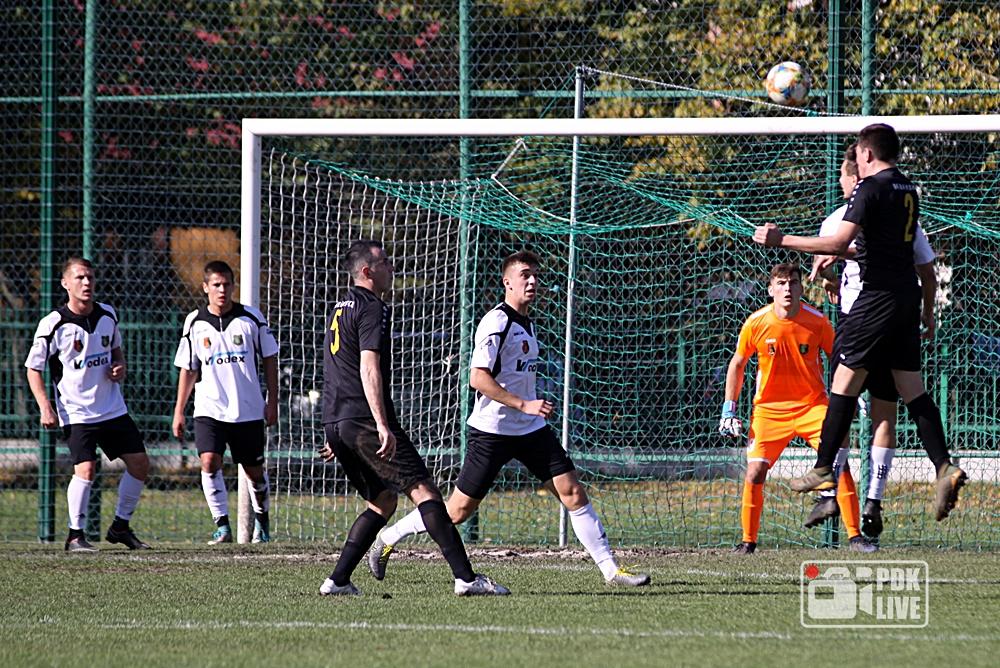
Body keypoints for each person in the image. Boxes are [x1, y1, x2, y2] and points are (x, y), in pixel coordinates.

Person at [365, 250, 651, 586]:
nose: (532, 281)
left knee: (573, 492)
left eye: (535, 275)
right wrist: (523, 404)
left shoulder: (527, 323)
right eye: (525, 275)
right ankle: (389, 537)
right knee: (457, 511)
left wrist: (527, 409)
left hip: (530, 430)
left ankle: (611, 571)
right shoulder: (496, 321)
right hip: (492, 430)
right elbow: (477, 378)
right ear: (507, 282)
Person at [752, 123, 966, 522]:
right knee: (913, 390)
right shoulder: (907, 188)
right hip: (905, 298)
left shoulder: (868, 189)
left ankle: (823, 470)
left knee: (842, 384)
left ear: (866, 154)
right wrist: (926, 311)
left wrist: (782, 240)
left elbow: (837, 242)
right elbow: (893, 250)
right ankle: (944, 465)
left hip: (875, 300)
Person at [318, 240, 508, 596]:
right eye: (385, 262)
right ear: (367, 271)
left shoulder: (340, 307)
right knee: (425, 492)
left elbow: (334, 366)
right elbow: (368, 367)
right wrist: (380, 424)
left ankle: (338, 581)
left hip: (339, 420)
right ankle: (466, 578)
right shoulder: (372, 306)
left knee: (382, 502)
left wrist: (336, 427)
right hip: (364, 419)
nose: (392, 268)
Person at [812, 142, 939, 540]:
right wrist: (927, 312)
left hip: (861, 319)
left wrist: (791, 245)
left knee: (842, 403)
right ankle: (874, 500)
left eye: (842, 175)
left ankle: (827, 490)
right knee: (888, 410)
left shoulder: (843, 215)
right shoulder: (905, 211)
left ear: (857, 174)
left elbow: (837, 251)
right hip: (895, 317)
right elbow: (926, 269)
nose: (840, 181)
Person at [720, 263, 875, 554]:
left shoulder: (817, 322)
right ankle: (748, 542)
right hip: (768, 411)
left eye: (793, 282)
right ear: (771, 290)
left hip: (812, 407)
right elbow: (737, 364)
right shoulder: (756, 322)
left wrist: (855, 393)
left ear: (802, 288)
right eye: (781, 283)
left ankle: (856, 537)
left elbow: (841, 358)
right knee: (754, 472)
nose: (787, 289)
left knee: (838, 465)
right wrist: (729, 409)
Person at [25, 257, 151, 552]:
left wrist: (119, 366)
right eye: (80, 278)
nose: (86, 283)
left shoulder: (108, 314)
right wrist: (45, 406)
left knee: (140, 464)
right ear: (65, 283)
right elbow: (33, 368)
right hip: (76, 411)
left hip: (112, 407)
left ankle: (120, 527)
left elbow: (116, 351)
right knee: (86, 469)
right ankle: (75, 536)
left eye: (90, 278)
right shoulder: (54, 323)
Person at [172, 260, 278, 544]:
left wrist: (272, 401)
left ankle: (262, 520)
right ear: (205, 287)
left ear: (233, 286)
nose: (222, 290)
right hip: (209, 408)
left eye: (227, 284)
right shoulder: (194, 322)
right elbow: (189, 368)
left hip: (247, 409)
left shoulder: (251, 318)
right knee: (209, 461)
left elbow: (270, 358)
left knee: (254, 472)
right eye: (216, 285)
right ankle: (222, 526)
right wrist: (179, 411)